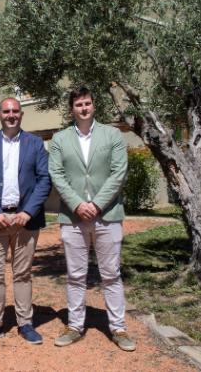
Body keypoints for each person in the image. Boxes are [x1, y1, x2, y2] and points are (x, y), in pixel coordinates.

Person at [47, 86, 134, 351]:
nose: (83, 108)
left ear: (93, 105)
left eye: (87, 103)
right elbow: (56, 174)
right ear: (71, 109)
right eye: (78, 105)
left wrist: (95, 204)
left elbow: (119, 173)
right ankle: (75, 326)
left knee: (110, 274)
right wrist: (77, 204)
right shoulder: (60, 139)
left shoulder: (112, 134)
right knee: (75, 275)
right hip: (72, 217)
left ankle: (118, 328)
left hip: (107, 215)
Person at [0, 97, 51, 345]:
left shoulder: (35, 143)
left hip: (24, 218)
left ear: (21, 114)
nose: (11, 115)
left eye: (15, 111)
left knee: (23, 274)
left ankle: (25, 323)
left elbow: (44, 180)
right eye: (6, 111)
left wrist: (27, 212)